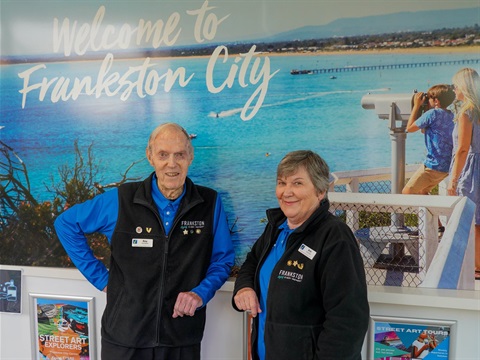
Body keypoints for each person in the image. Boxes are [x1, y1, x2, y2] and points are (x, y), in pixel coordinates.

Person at [54, 122, 235, 360]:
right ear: (150, 157)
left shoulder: (210, 202)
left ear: (190, 157)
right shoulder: (121, 200)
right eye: (163, 155)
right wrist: (101, 279)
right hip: (124, 337)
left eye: (179, 154)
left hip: (181, 338)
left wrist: (200, 293)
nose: (172, 164)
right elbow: (66, 224)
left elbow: (222, 260)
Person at [232, 150, 370, 360]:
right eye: (282, 183)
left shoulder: (335, 237)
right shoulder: (276, 229)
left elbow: (348, 321)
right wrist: (244, 287)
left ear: (320, 190)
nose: (287, 192)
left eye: (297, 183)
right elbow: (252, 262)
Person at [447, 68, 480, 281]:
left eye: (456, 85)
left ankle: (476, 267)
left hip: (473, 170)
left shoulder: (467, 112)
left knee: (473, 219)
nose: (454, 89)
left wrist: (453, 180)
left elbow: (462, 149)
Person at [402, 84, 455, 197]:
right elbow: (423, 130)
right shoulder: (451, 115)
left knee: (406, 192)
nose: (427, 100)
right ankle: (430, 214)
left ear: (436, 101)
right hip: (447, 167)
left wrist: (416, 106)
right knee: (423, 192)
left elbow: (409, 128)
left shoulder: (432, 114)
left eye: (429, 98)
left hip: (433, 166)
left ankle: (418, 214)